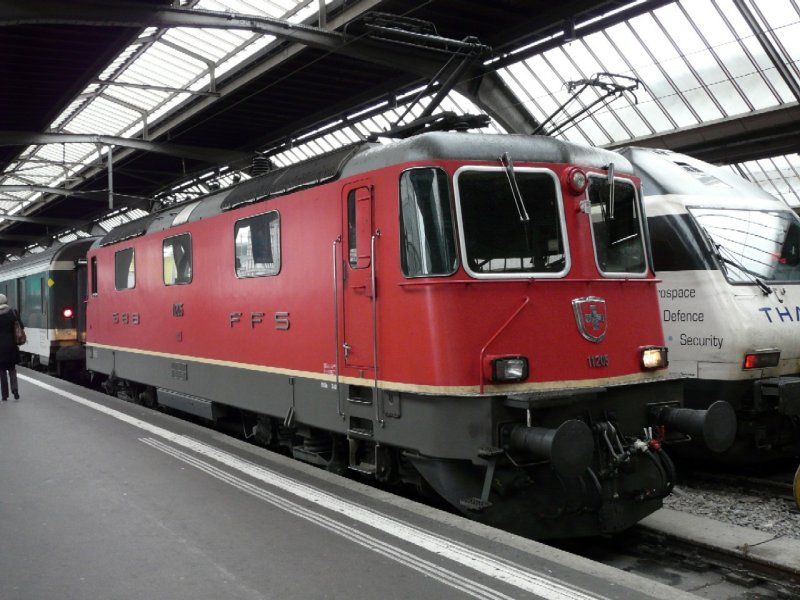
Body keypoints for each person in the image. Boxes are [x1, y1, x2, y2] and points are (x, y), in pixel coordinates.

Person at [0, 293, 21, 401]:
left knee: (2, 371)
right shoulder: (13, 312)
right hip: (11, 345)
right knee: (12, 369)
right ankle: (15, 390)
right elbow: (20, 326)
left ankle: (4, 395)